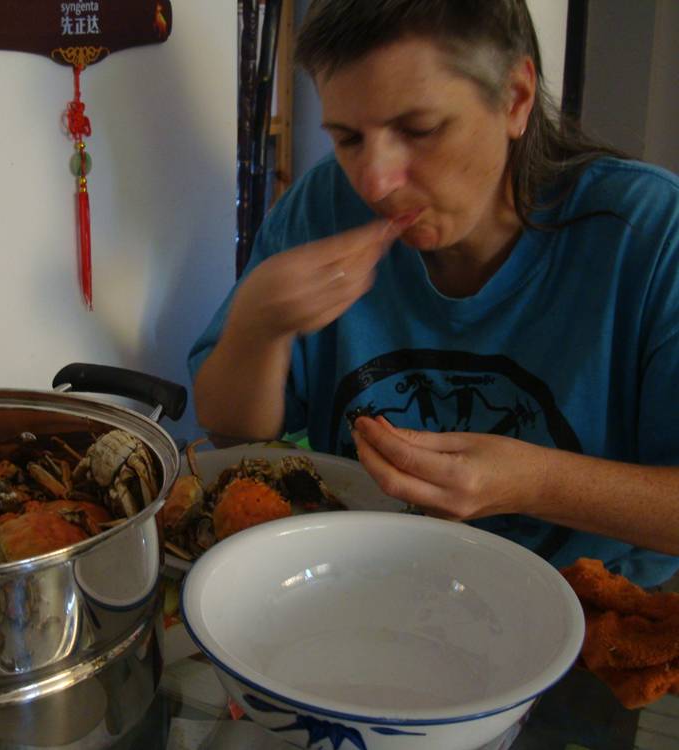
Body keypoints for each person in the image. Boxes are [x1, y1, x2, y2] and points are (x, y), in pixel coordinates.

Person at [188, 0, 679, 587]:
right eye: (347, 138)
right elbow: (231, 431)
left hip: (590, 621)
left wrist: (536, 482)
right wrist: (258, 325)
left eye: (418, 130)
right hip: (358, 592)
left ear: (516, 98)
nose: (374, 181)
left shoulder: (649, 235)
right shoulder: (323, 206)